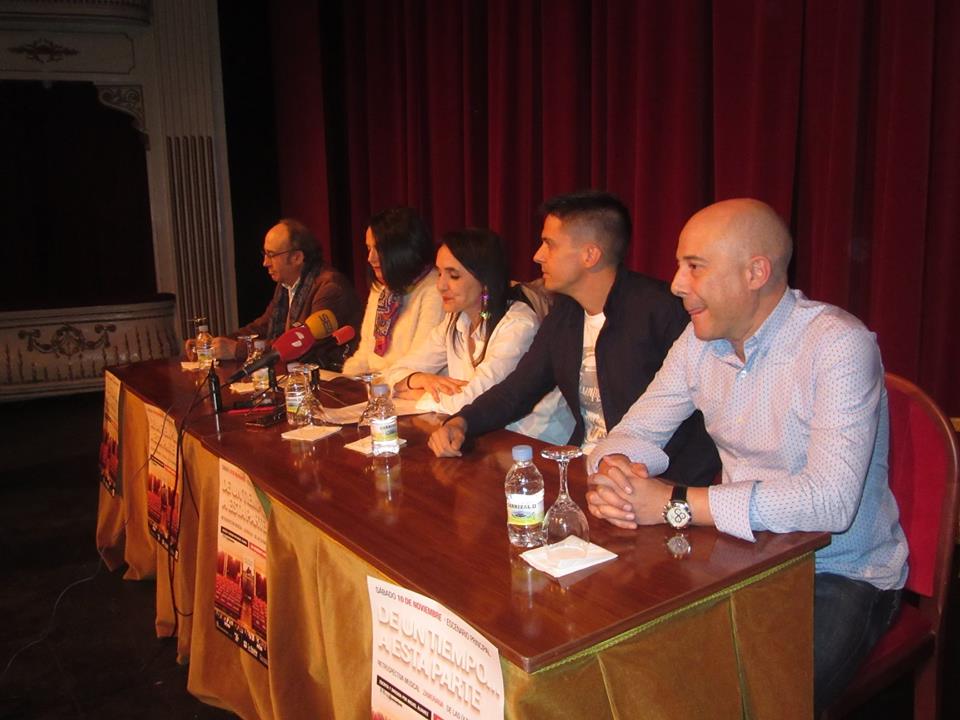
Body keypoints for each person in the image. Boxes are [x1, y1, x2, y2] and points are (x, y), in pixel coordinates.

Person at [585, 198, 907, 714]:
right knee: (625, 659)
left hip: (838, 571)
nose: (676, 284)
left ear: (756, 272)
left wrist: (674, 503)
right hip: (739, 553)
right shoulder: (698, 342)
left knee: (753, 705)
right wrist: (614, 473)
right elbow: (633, 432)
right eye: (679, 265)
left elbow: (830, 503)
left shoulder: (838, 345)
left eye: (695, 266)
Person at [427, 190, 719, 489]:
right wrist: (462, 422)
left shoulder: (661, 310)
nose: (537, 255)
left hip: (652, 481)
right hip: (584, 468)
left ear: (590, 255)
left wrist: (673, 495)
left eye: (549, 244)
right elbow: (518, 389)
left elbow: (704, 421)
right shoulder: (566, 314)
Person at [383, 228, 574, 444]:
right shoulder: (456, 319)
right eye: (440, 273)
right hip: (488, 438)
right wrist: (417, 379)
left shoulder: (518, 325)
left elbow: (472, 402)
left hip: (536, 440)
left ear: (485, 280)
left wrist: (417, 394)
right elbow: (393, 373)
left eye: (453, 275)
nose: (440, 285)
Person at [185, 219, 363, 369]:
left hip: (332, 379)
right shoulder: (286, 285)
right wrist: (214, 343)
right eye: (265, 254)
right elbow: (261, 327)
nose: (265, 263)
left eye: (271, 255)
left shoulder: (330, 288)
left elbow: (302, 345)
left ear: (297, 257)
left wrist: (237, 349)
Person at [342, 207, 444, 376]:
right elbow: (365, 352)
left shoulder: (435, 290)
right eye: (368, 248)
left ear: (402, 250)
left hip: (407, 385)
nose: (370, 258)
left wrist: (376, 385)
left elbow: (417, 367)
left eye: (379, 249)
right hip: (378, 383)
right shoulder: (381, 289)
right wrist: (348, 379)